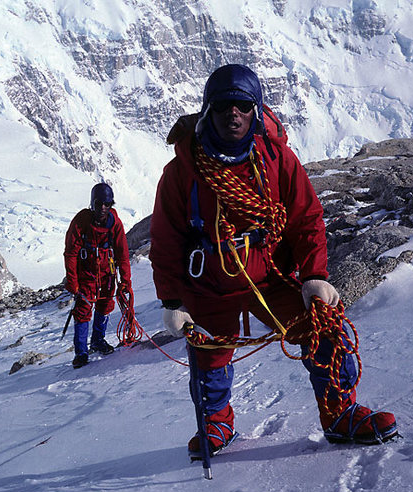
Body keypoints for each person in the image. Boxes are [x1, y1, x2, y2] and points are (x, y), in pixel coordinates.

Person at [149, 64, 397, 457]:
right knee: (209, 352)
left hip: (269, 275)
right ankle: (217, 423)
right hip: (210, 283)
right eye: (225, 104)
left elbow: (306, 218)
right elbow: (165, 240)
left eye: (244, 105)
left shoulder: (276, 159)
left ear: (257, 110)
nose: (234, 112)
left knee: (325, 328)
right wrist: (172, 302)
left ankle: (339, 414)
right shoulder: (183, 171)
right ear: (208, 110)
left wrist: (314, 276)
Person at [64, 182, 132, 368]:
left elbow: (122, 254)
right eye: (99, 203)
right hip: (86, 272)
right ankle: (81, 352)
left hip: (107, 272)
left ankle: (97, 340)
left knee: (105, 304)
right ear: (92, 203)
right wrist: (73, 282)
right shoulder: (81, 221)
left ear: (111, 204)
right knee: (83, 309)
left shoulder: (115, 223)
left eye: (107, 204)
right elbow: (70, 253)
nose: (103, 208)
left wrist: (126, 280)